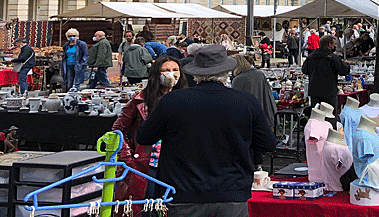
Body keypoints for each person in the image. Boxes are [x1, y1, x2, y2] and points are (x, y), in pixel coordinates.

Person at [137, 45, 276, 216]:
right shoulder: (246, 101)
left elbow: (144, 136)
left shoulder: (172, 101)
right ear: (226, 73)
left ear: (196, 73)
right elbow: (268, 143)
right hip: (231, 193)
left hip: (184, 193)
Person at [112, 55, 186, 214]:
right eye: (166, 70)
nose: (171, 74)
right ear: (156, 74)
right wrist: (127, 157)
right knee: (146, 208)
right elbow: (118, 129)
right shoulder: (140, 99)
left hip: (177, 164)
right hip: (148, 164)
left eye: (175, 70)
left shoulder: (186, 99)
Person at [302, 35, 350, 108]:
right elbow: (343, 71)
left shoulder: (311, 56)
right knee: (329, 114)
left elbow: (305, 70)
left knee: (316, 114)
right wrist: (347, 64)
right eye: (334, 44)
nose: (335, 46)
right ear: (329, 44)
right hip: (329, 91)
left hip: (315, 91)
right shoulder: (332, 57)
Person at [231, 54, 277, 129]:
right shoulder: (259, 74)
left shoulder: (238, 79)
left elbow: (234, 103)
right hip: (262, 116)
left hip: (247, 120)